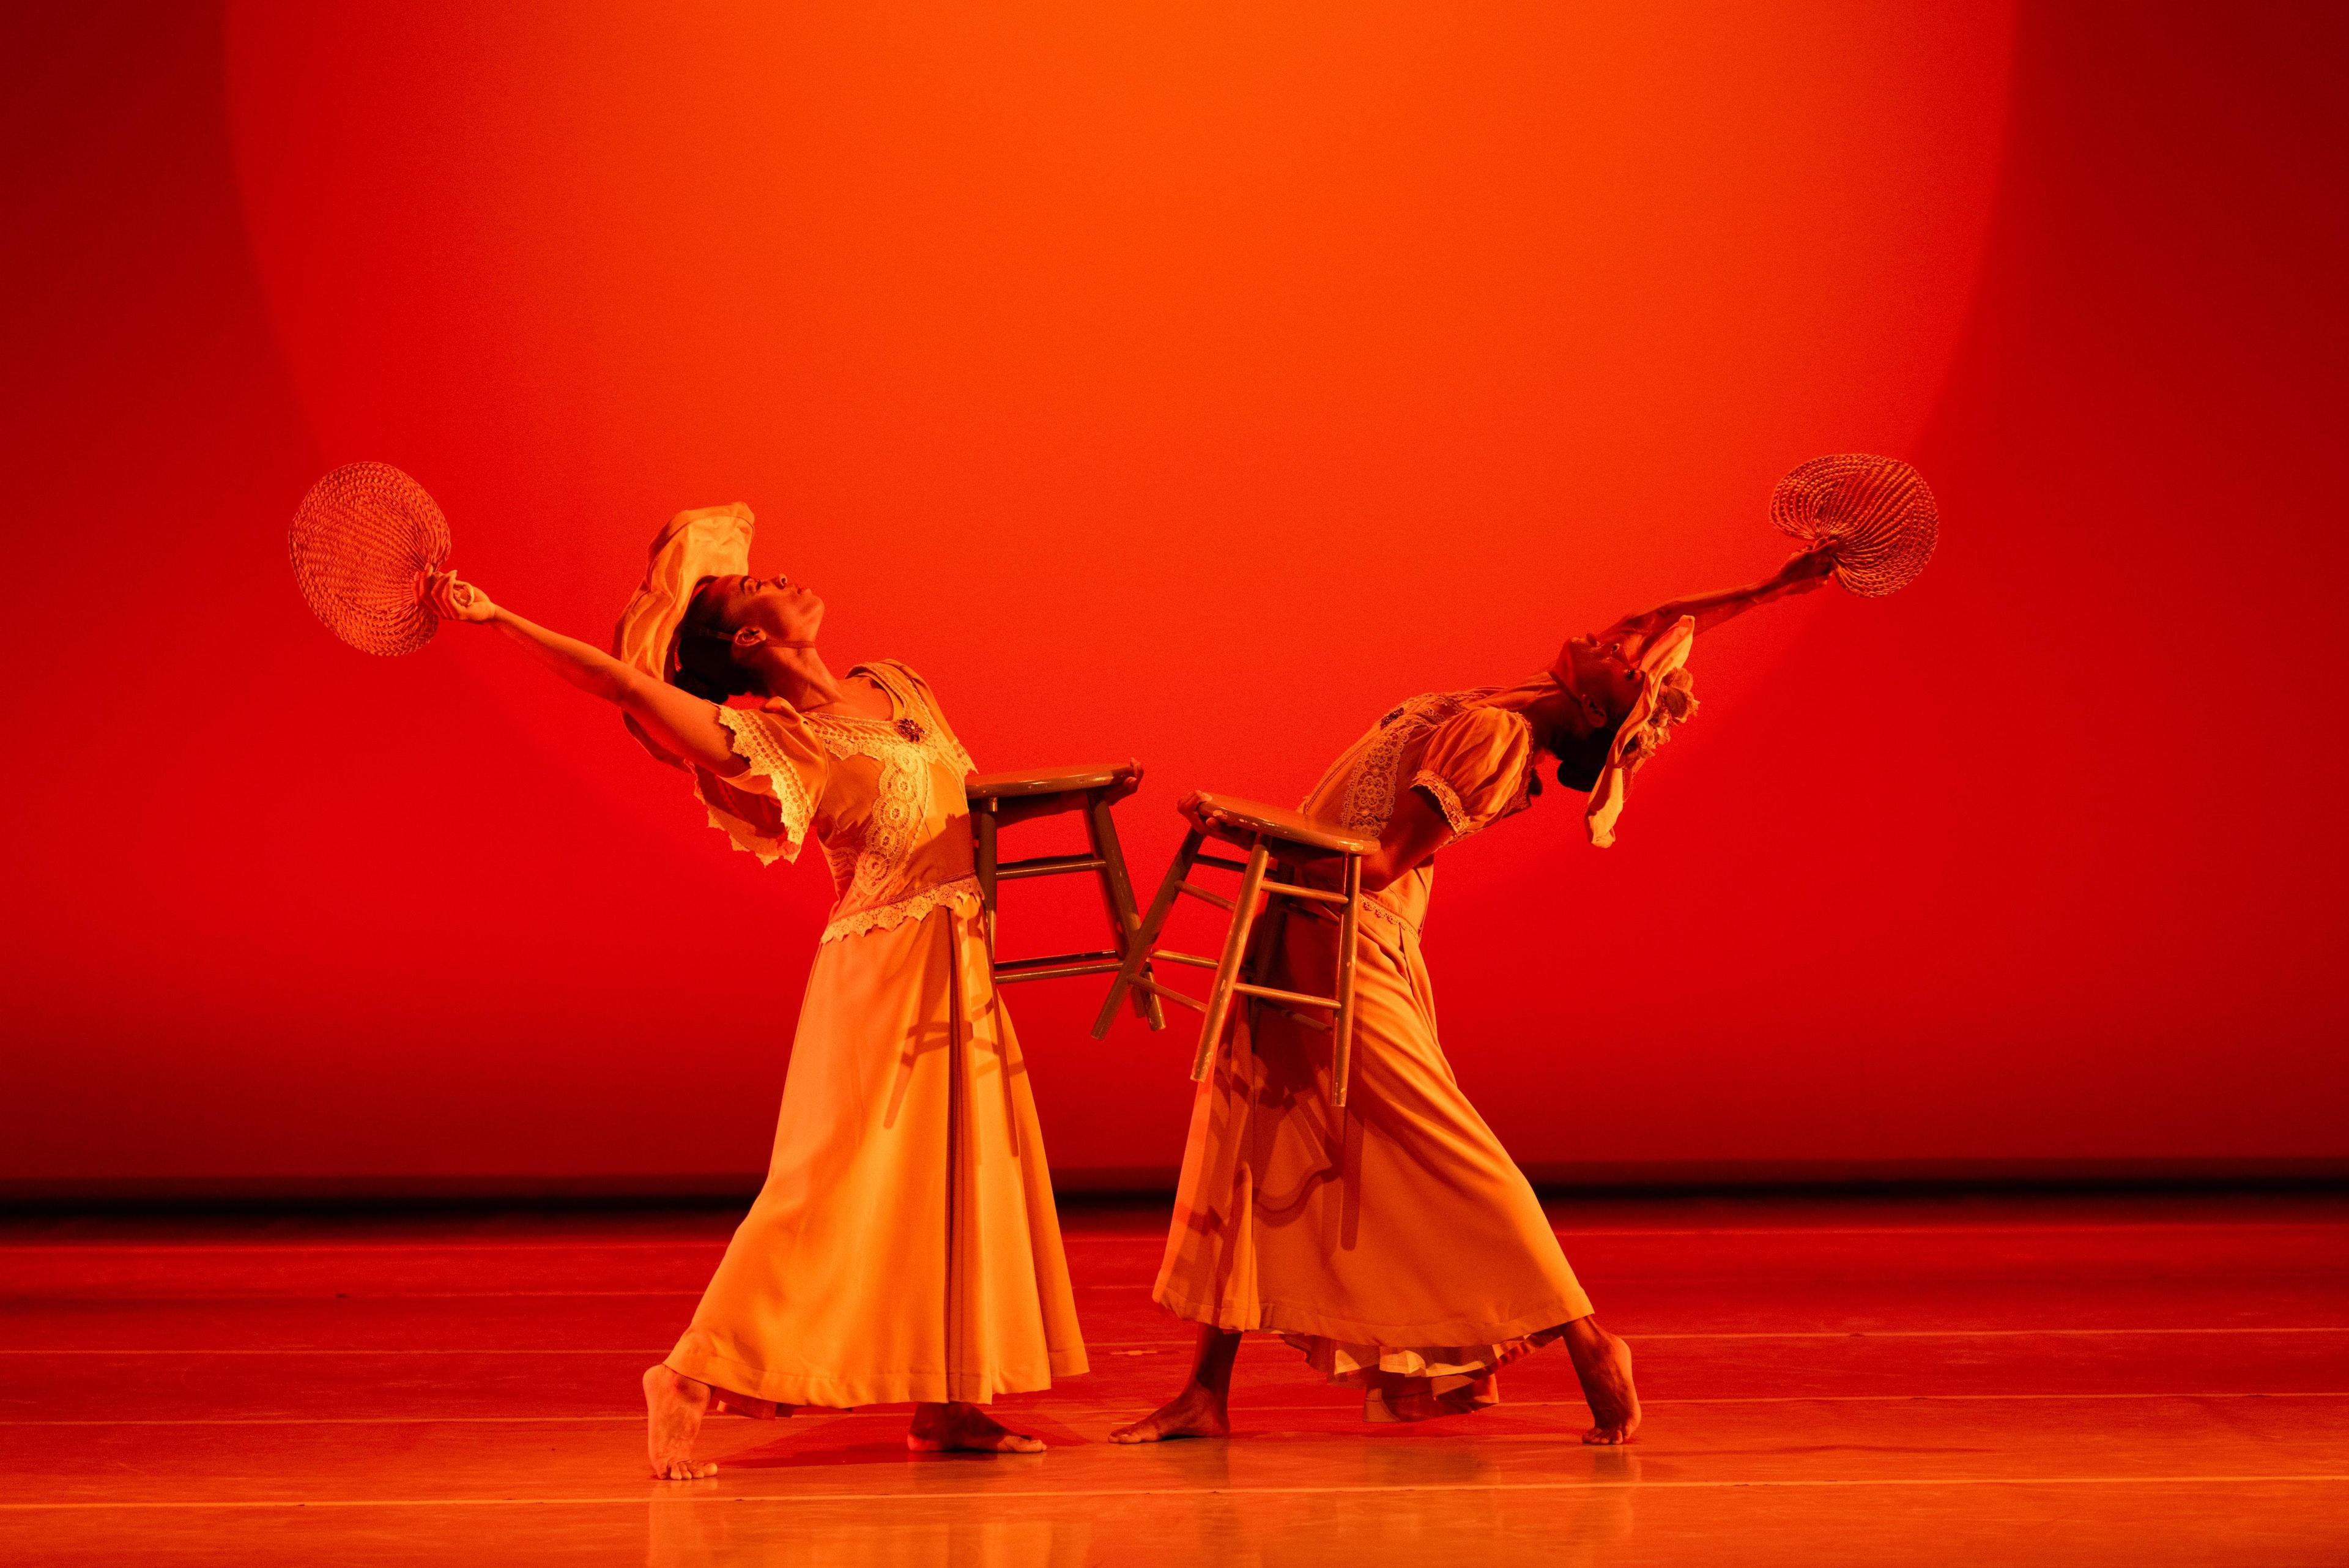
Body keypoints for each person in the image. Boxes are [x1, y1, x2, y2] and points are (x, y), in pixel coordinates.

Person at [423, 503, 1103, 1477]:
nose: (781, 576)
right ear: (751, 639)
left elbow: (966, 808)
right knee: (831, 1188)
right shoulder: (784, 746)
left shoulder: (898, 684)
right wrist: (497, 620)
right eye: (759, 584)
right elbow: (621, 682)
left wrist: (1080, 797)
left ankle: (951, 1403)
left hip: (961, 959)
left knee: (959, 1180)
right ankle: (690, 1376)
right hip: (882, 973)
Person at [1110, 544, 1838, 1446]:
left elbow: (1376, 866)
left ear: (1591, 706)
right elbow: (1651, 623)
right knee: (1249, 1136)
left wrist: (1247, 830)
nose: (1618, 641)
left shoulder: (1495, 741)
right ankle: (1207, 1393)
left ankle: (1587, 1337)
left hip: (1347, 942)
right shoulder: (1514, 701)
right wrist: (1771, 589)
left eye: (1621, 665)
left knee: (1442, 1147)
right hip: (1295, 921)